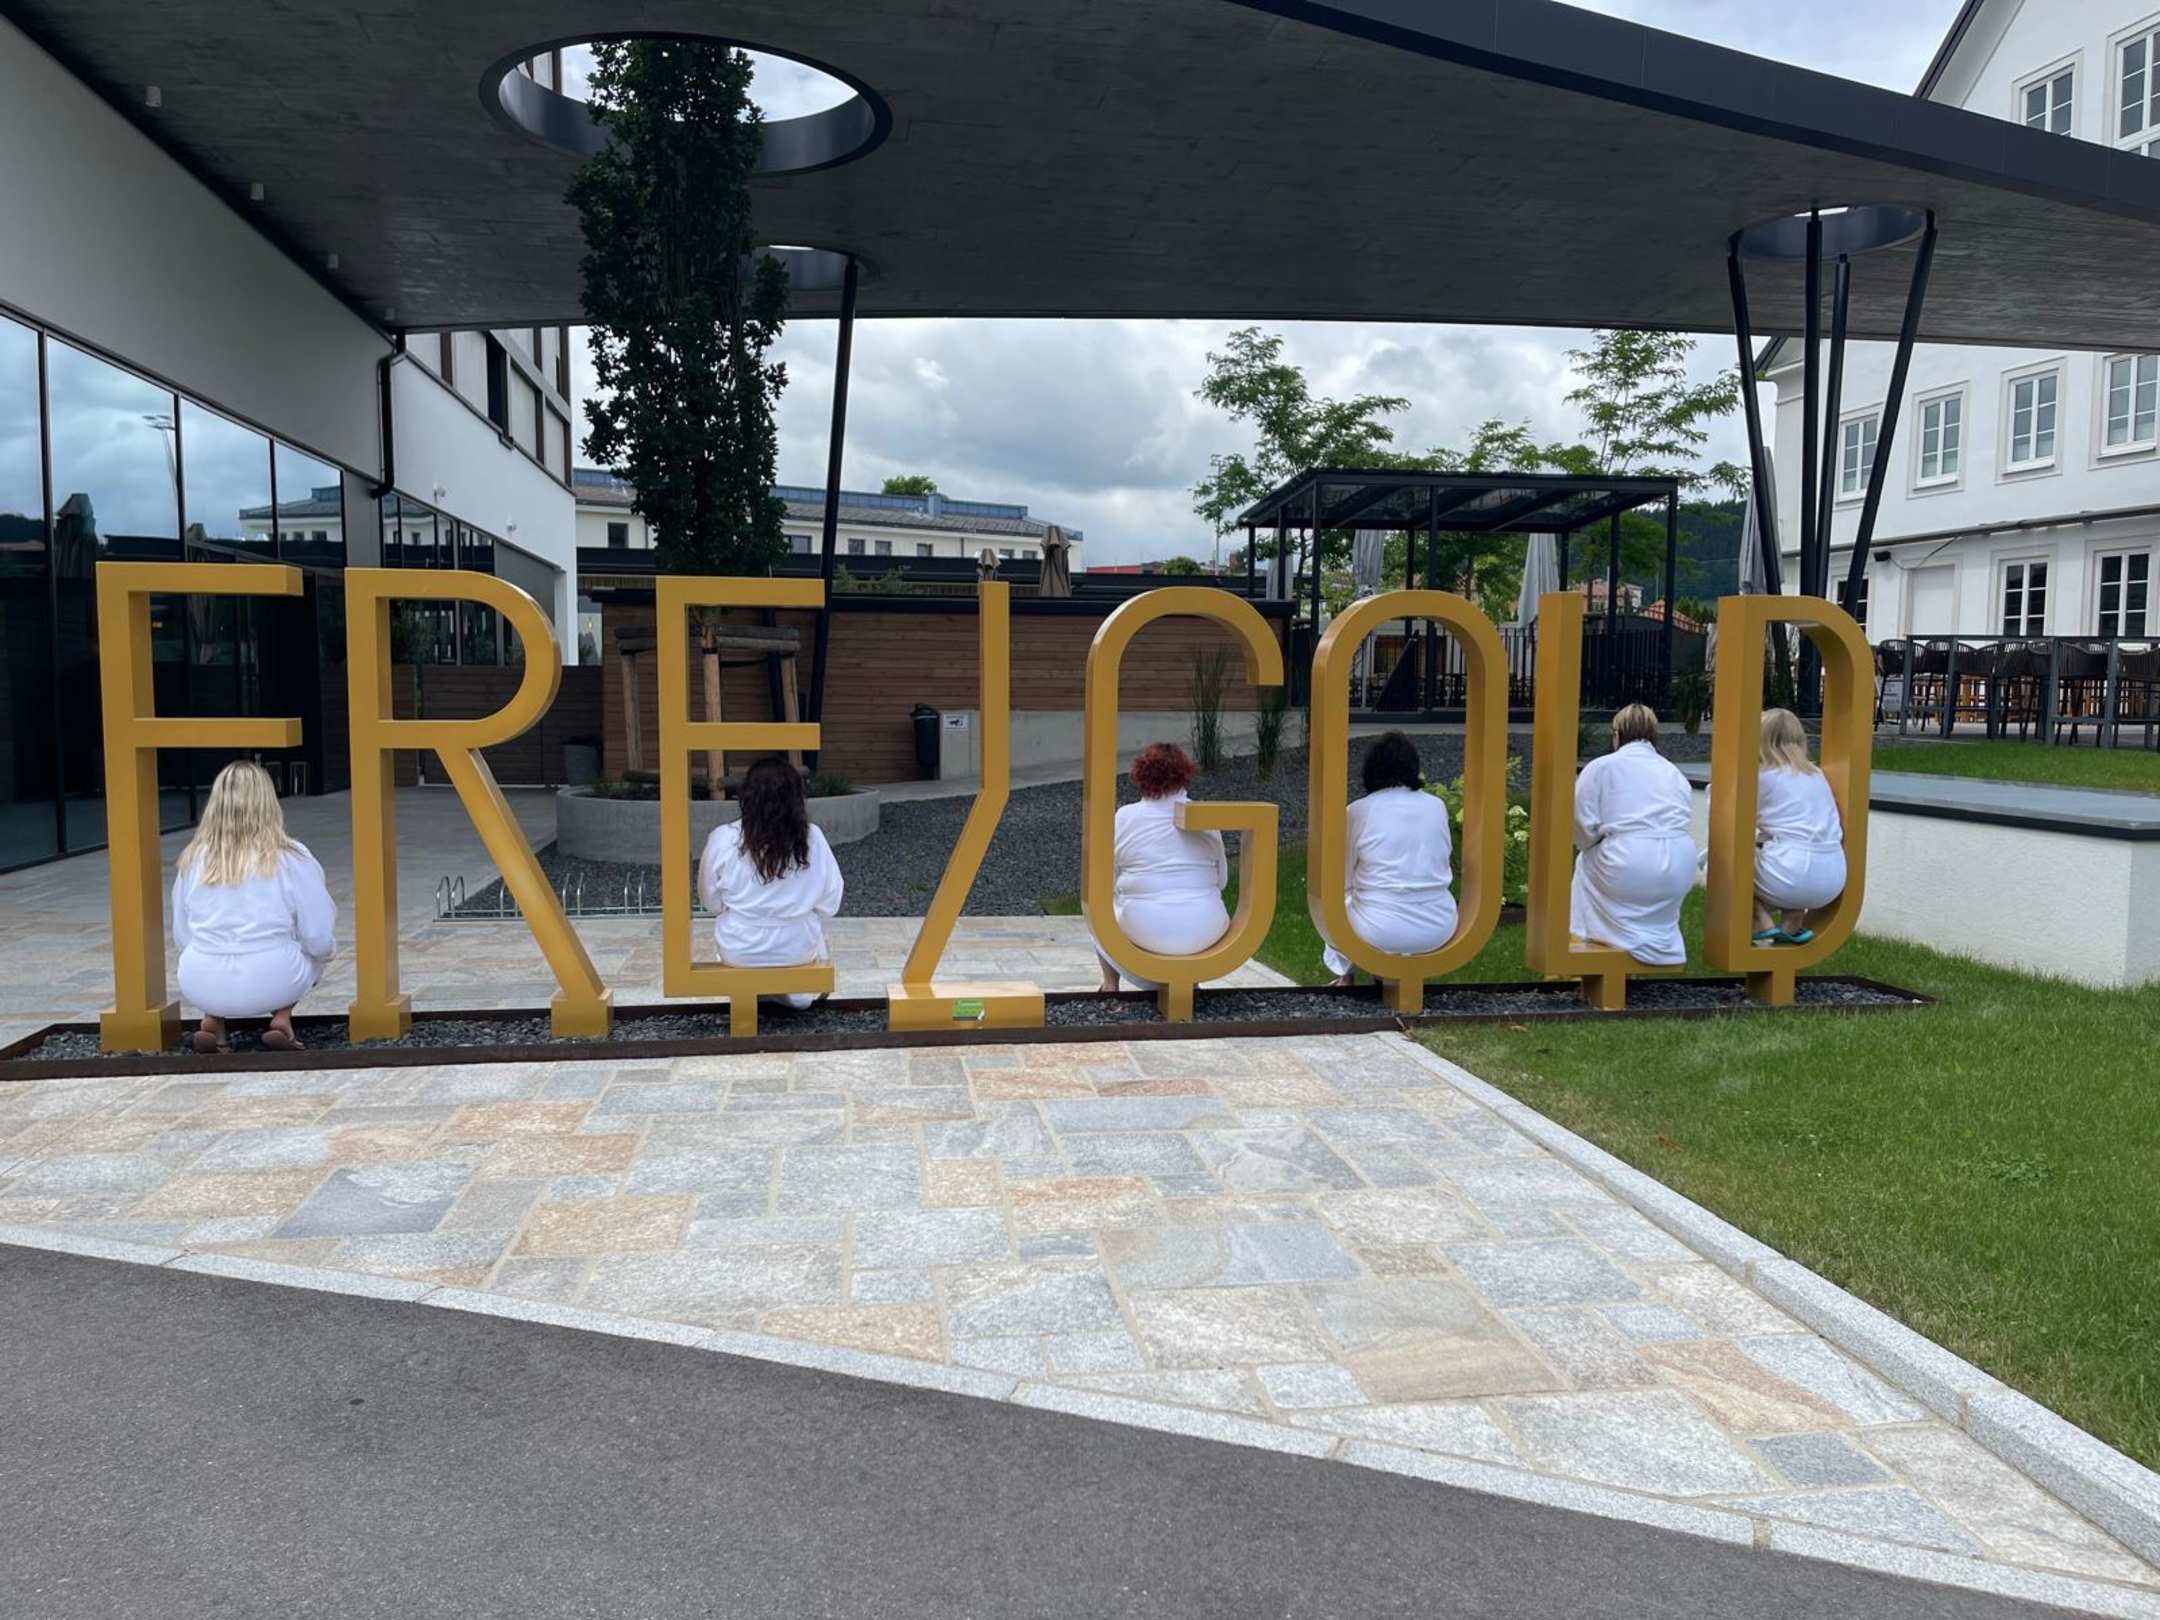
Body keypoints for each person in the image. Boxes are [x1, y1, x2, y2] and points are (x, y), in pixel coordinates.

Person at [171, 760, 337, 1053]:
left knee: (207, 947)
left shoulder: (193, 858)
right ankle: (282, 1018)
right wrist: (326, 953)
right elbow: (317, 936)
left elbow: (182, 936)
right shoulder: (291, 856)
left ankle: (213, 1020)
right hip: (274, 977)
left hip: (201, 981)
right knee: (316, 953)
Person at [698, 754, 844, 1008]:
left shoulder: (723, 837)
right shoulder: (812, 837)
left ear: (746, 796)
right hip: (796, 948)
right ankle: (790, 995)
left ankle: (760, 995)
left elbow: (711, 902)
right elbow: (830, 902)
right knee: (812, 931)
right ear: (796, 798)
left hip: (740, 948)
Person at [1321, 731, 1456, 984]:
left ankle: (1346, 975)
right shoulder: (1436, 806)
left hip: (1378, 930)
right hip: (1440, 926)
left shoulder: (1358, 811)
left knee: (1332, 904)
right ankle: (1383, 973)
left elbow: (1342, 877)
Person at [1095, 742, 1230, 992]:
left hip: (1142, 927)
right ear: (1185, 776)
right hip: (1207, 928)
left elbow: (1107, 876)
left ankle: (1110, 985)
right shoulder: (1205, 816)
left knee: (1098, 908)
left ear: (1141, 776)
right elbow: (1222, 880)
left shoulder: (1125, 817)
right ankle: (1190, 983)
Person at [1569, 704, 1698, 966]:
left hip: (1630, 856)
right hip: (1680, 861)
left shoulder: (1601, 767)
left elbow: (1582, 823)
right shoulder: (1672, 771)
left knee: (1585, 863)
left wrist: (1589, 844)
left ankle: (1587, 941)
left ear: (1617, 735)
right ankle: (1656, 944)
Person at [1752, 707, 1845, 945]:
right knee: (1779, 845)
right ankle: (1794, 916)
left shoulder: (1762, 777)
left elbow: (1726, 815)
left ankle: (1759, 919)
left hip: (1790, 875)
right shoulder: (1817, 774)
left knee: (1716, 858)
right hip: (1833, 878)